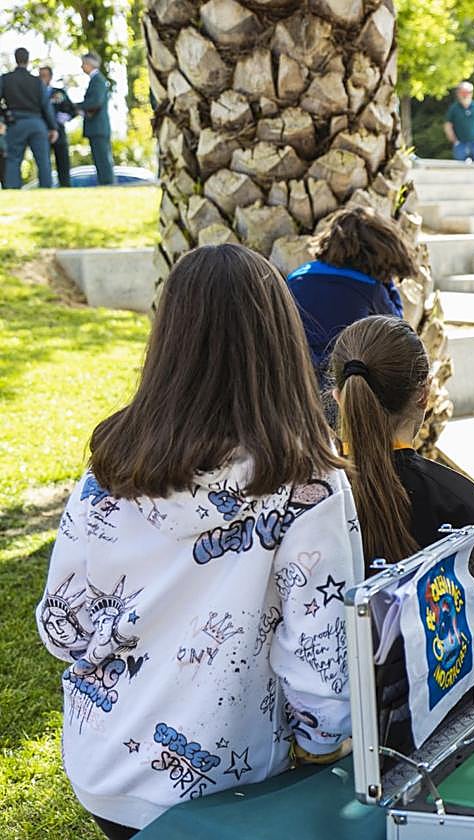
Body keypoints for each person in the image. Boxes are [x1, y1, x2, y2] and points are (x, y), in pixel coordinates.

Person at [36, 244, 363, 840]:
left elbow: (65, 624)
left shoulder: (110, 464)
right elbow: (321, 659)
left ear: (168, 340)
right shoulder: (309, 482)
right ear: (280, 340)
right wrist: (323, 744)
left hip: (103, 766)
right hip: (235, 786)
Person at [328, 315, 474, 656]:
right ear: (424, 393)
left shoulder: (309, 497)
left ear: (338, 396)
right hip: (439, 703)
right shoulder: (456, 497)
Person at [286, 205, 417, 383]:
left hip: (297, 383)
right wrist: (386, 281)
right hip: (344, 388)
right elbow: (397, 327)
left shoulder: (297, 277)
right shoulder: (370, 288)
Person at [0, 47, 58, 188]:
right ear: (28, 59)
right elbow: (46, 106)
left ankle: (13, 189)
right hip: (37, 123)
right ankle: (47, 189)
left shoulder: (5, 79)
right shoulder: (37, 82)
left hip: (15, 123)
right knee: (43, 160)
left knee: (13, 159)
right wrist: (53, 127)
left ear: (16, 59)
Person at [77, 52, 113, 186]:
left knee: (102, 159)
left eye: (83, 64)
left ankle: (108, 184)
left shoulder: (97, 80)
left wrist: (78, 106)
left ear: (89, 64)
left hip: (98, 127)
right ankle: (105, 183)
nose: (82, 67)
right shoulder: (97, 80)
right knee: (100, 159)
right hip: (97, 128)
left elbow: (95, 102)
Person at [39, 65, 76, 187]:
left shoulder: (59, 93)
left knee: (63, 162)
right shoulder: (35, 94)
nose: (42, 78)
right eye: (40, 76)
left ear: (50, 77)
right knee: (44, 162)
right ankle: (46, 186)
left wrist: (67, 116)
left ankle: (65, 185)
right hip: (42, 132)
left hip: (59, 132)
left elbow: (73, 110)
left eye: (44, 76)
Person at [443, 81, 474, 162]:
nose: (465, 95)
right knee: (459, 168)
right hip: (460, 144)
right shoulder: (454, 108)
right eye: (462, 92)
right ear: (458, 93)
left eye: (467, 92)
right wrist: (454, 140)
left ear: (471, 93)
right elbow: (447, 126)